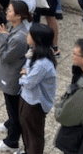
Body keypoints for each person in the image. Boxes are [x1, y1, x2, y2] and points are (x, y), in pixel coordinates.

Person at [0, 0, 33, 152]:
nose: (7, 13)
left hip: (13, 76)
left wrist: (1, 38)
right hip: (11, 73)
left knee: (14, 108)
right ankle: (9, 123)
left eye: (10, 11)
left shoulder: (20, 37)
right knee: (11, 106)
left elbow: (6, 56)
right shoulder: (17, 28)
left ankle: (11, 141)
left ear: (19, 16)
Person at [20, 23, 58, 154]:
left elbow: (28, 82)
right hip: (28, 98)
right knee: (26, 130)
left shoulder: (43, 64)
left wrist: (23, 76)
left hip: (35, 103)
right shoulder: (36, 52)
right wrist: (26, 73)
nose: (27, 35)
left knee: (33, 134)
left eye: (30, 34)